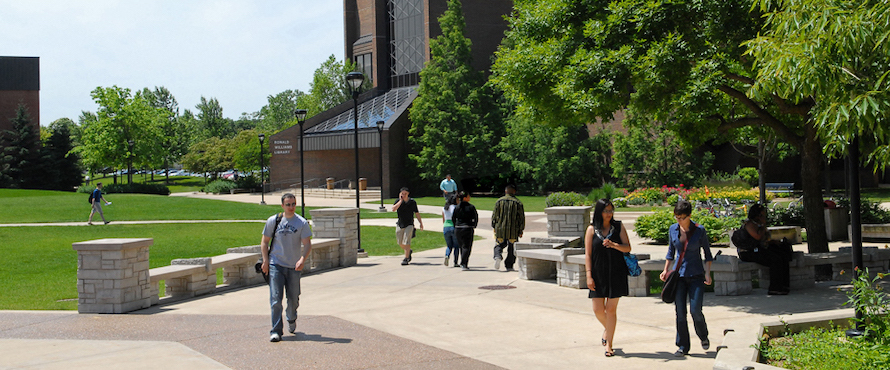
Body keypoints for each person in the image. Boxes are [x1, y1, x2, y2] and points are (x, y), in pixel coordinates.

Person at [660, 200, 714, 357]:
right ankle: (683, 345)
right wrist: (665, 270)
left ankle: (703, 336)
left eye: (682, 217)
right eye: (676, 217)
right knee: (680, 312)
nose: (679, 220)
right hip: (679, 276)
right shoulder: (673, 229)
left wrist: (707, 273)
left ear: (689, 215)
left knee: (696, 310)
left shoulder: (699, 230)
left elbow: (708, 255)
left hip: (696, 275)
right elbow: (671, 253)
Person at [261, 193, 313, 342]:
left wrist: (303, 259)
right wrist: (265, 261)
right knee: (276, 299)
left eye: (293, 204)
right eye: (288, 204)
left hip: (294, 267)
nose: (291, 207)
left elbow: (307, 244)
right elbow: (264, 242)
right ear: (282, 205)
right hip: (276, 264)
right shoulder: (274, 221)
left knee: (293, 299)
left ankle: (291, 317)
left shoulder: (301, 223)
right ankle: (276, 331)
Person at [584, 198, 632, 357]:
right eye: (606, 211)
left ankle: (609, 344)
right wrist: (589, 275)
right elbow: (588, 254)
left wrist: (614, 245)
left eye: (611, 210)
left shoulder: (618, 227)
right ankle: (608, 329)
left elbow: (628, 247)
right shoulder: (591, 229)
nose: (609, 214)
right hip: (597, 274)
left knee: (611, 310)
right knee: (598, 310)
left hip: (616, 273)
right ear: (599, 212)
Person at [733, 203, 792, 295]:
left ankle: (784, 285)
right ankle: (775, 288)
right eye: (763, 214)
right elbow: (758, 237)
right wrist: (763, 224)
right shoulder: (750, 224)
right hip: (748, 252)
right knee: (775, 260)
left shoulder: (759, 224)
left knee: (783, 256)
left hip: (759, 249)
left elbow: (765, 239)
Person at [492, 184, 525, 271]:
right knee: (512, 248)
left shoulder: (499, 201)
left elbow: (495, 215)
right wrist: (521, 229)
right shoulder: (518, 203)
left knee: (499, 245)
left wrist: (494, 226)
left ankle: (497, 256)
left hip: (500, 228)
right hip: (513, 229)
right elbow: (521, 218)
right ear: (514, 191)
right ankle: (509, 265)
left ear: (505, 191)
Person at [393, 187, 424, 265]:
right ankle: (409, 251)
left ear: (408, 194)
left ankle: (406, 258)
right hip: (400, 224)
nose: (404, 195)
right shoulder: (398, 201)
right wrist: (401, 200)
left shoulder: (412, 202)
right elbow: (393, 209)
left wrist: (420, 223)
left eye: (405, 194)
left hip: (409, 224)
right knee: (400, 242)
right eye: (402, 193)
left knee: (406, 241)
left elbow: (417, 213)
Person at [452, 191, 478, 271]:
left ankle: (463, 262)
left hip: (458, 228)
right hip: (468, 227)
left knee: (461, 246)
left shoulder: (457, 207)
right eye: (468, 196)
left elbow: (453, 218)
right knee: (467, 246)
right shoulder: (471, 207)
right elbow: (475, 217)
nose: (469, 197)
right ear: (465, 198)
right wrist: (474, 225)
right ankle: (464, 263)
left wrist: (455, 225)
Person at [442, 194, 460, 267]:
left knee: (449, 246)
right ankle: (455, 262)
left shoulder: (445, 208)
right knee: (456, 246)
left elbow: (443, 219)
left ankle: (447, 256)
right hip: (454, 226)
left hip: (446, 226)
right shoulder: (456, 208)